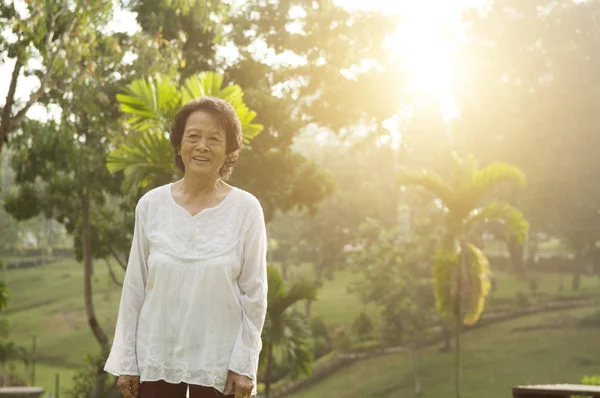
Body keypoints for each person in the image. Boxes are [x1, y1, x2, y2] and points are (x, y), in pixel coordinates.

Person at [104, 96, 268, 398]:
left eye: (214, 139)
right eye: (193, 137)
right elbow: (134, 289)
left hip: (219, 363)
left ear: (229, 150)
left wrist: (245, 365)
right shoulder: (151, 206)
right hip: (156, 357)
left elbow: (255, 294)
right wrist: (128, 362)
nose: (202, 146)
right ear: (179, 144)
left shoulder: (246, 209)